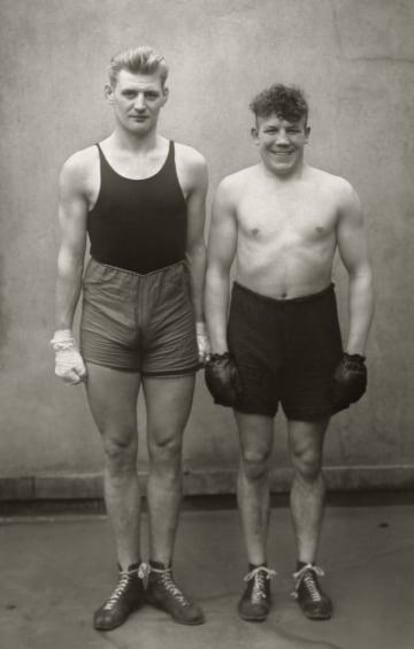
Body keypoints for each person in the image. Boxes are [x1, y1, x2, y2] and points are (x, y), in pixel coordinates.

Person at [51, 46, 209, 630]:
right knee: (119, 449)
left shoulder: (190, 164)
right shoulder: (82, 167)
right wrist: (61, 336)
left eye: (151, 93)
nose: (140, 102)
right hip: (109, 308)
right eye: (129, 92)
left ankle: (161, 573)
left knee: (167, 449)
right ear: (110, 94)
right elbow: (71, 256)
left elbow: (197, 251)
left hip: (171, 309)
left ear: (164, 97)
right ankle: (127, 573)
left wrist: (202, 325)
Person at [205, 84, 374, 622]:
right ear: (255, 132)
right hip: (252, 325)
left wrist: (355, 354)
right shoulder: (233, 190)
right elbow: (215, 272)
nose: (282, 139)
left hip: (313, 327)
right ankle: (257, 572)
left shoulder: (336, 192)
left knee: (307, 457)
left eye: (292, 129)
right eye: (271, 130)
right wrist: (218, 351)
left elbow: (362, 272)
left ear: (307, 132)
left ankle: (305, 571)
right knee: (254, 458)